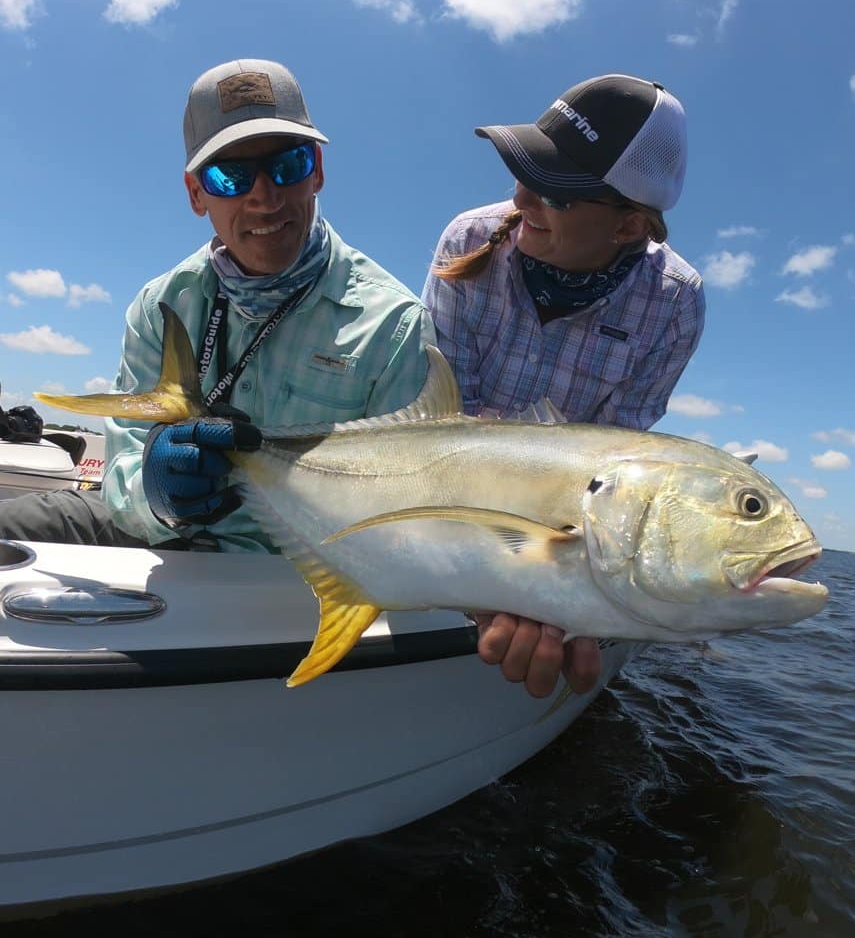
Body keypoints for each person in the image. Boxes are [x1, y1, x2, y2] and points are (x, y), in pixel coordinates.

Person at [0, 58, 591, 700]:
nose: (264, 196)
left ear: (318, 173)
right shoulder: (161, 304)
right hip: (148, 536)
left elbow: (400, 513)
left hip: (289, 572)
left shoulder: (390, 323)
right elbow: (121, 477)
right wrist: (156, 492)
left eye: (286, 166)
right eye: (231, 174)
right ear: (197, 193)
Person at [422, 73, 706, 700]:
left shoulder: (677, 304)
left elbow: (608, 464)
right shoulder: (469, 239)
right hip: (450, 501)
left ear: (629, 227)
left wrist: (547, 586)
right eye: (526, 173)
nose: (522, 199)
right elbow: (445, 434)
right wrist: (496, 576)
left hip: (560, 527)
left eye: (554, 191)